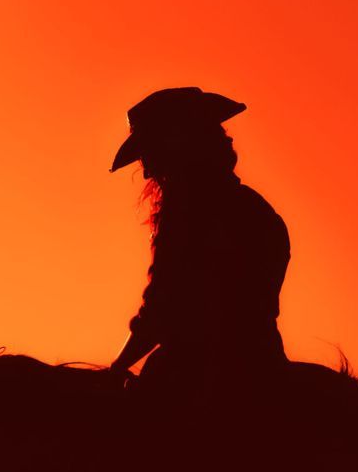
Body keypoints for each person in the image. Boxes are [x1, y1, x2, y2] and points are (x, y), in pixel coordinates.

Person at [108, 88, 289, 390]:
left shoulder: (187, 209)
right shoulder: (257, 208)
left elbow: (161, 306)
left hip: (196, 372)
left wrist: (116, 368)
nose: (146, 174)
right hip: (264, 362)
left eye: (150, 157)